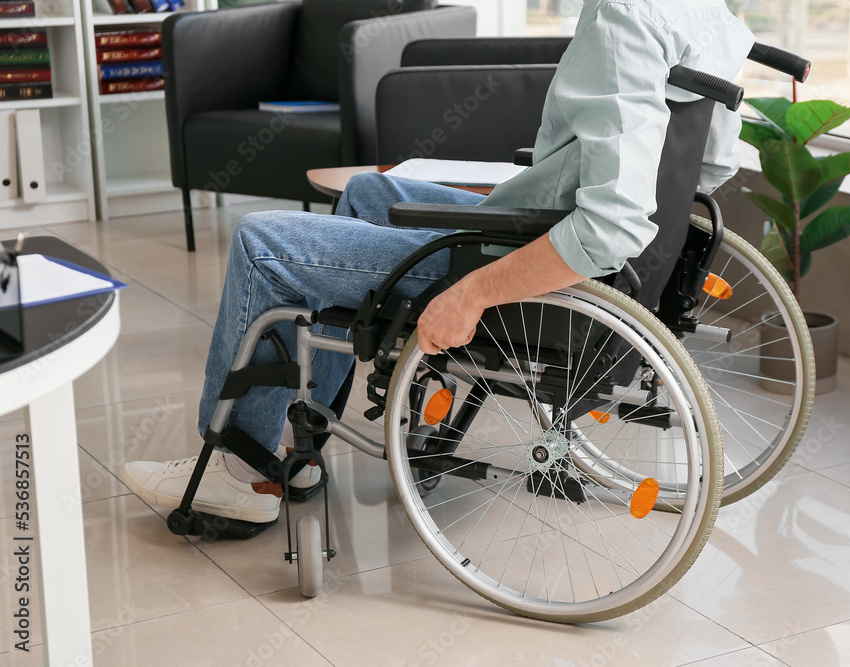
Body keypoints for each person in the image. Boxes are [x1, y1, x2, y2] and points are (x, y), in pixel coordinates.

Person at [121, 0, 755, 525]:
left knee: (262, 243)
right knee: (368, 192)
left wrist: (473, 294)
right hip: (563, 232)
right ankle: (303, 438)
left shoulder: (625, 16)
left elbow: (611, 223)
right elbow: (709, 168)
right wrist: (559, 179)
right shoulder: (715, 20)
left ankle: (237, 470)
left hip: (530, 257)